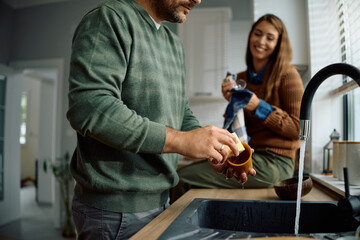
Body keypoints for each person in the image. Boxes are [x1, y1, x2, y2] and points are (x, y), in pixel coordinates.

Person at [66, 0, 256, 239]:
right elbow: (90, 107)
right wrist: (183, 141)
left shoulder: (174, 44)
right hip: (114, 212)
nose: (198, 0)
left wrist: (211, 148)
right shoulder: (110, 19)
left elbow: (180, 111)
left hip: (163, 202)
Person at [172, 13, 304, 199]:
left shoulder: (288, 74)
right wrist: (233, 102)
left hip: (276, 163)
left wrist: (258, 106)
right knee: (182, 175)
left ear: (278, 45)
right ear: (250, 36)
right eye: (257, 33)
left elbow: (299, 128)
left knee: (182, 177)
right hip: (250, 155)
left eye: (270, 37)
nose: (261, 41)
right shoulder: (241, 78)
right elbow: (240, 126)